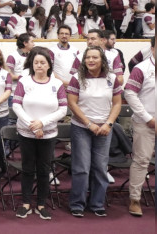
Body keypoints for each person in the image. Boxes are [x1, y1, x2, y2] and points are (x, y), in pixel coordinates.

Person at [66, 46, 123, 218]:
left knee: (100, 167)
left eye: (95, 57)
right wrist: (88, 123)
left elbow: (118, 104)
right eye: (88, 57)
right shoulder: (77, 78)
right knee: (82, 167)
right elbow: (72, 103)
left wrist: (109, 124)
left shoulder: (112, 79)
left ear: (102, 60)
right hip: (81, 128)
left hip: (105, 129)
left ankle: (97, 203)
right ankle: (77, 203)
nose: (90, 60)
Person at [12, 47, 67, 220]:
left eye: (43, 62)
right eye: (36, 62)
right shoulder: (24, 82)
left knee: (44, 170)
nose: (39, 65)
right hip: (27, 133)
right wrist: (32, 125)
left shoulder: (56, 84)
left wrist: (43, 123)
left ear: (49, 65)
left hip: (48, 134)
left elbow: (63, 109)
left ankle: (41, 204)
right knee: (27, 169)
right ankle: (26, 204)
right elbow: (16, 105)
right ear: (32, 64)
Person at [124, 37, 155, 217]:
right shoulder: (141, 68)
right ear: (153, 48)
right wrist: (147, 118)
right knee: (142, 160)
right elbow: (130, 93)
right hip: (146, 121)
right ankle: (135, 199)